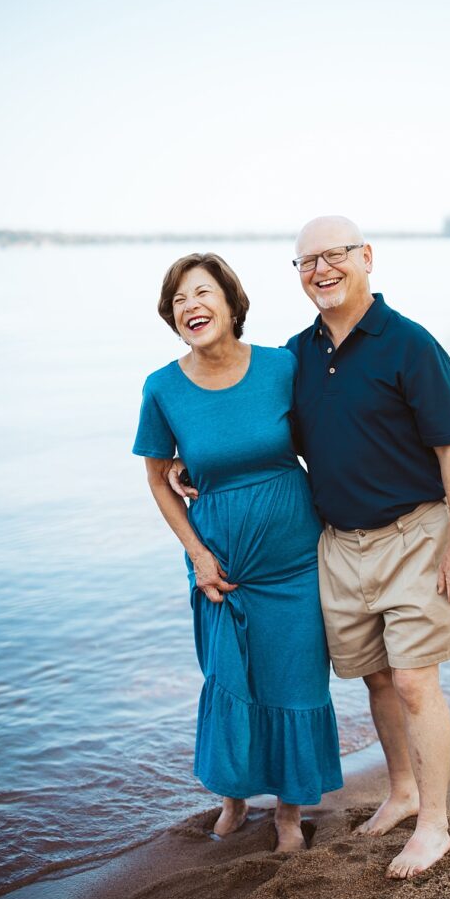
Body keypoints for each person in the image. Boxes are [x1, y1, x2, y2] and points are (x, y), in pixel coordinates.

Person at [170, 217, 450, 879]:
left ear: (365, 257)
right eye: (306, 261)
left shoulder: (410, 346)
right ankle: (400, 792)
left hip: (415, 534)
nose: (320, 269)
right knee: (374, 678)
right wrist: (189, 469)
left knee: (415, 682)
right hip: (338, 544)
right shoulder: (296, 357)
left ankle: (434, 824)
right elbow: (255, 428)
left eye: (333, 255)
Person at [133, 252, 342, 853]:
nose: (190, 306)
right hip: (218, 565)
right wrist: (198, 555)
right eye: (178, 300)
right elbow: (156, 480)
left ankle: (286, 814)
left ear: (230, 303)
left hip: (295, 560)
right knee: (229, 679)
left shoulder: (282, 367)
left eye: (201, 293)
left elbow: (322, 441)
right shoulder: (163, 388)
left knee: (296, 681)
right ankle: (232, 800)